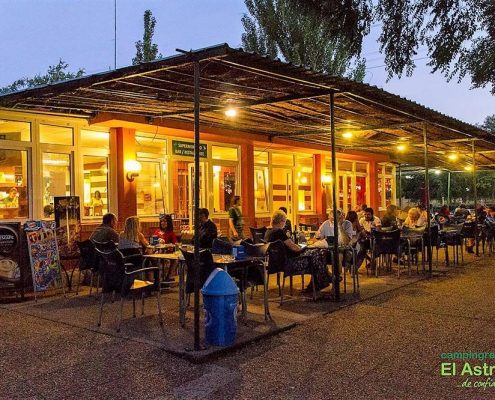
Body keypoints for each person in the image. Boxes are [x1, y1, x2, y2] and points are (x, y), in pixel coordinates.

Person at [266, 210, 331, 294]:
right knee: (317, 254)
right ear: (281, 221)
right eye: (284, 221)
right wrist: (303, 246)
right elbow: (295, 248)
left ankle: (320, 281)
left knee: (316, 254)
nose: (285, 224)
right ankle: (324, 278)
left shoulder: (268, 232)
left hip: (276, 263)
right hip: (289, 264)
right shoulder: (279, 232)